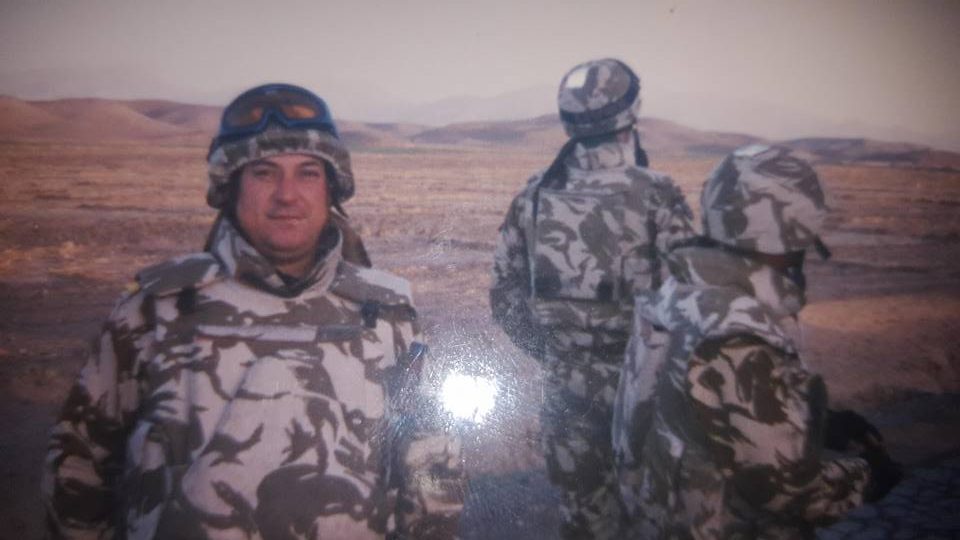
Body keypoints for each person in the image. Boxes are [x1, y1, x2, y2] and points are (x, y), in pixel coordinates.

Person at [42, 83, 463, 539]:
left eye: (307, 174)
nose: (287, 194)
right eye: (264, 173)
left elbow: (431, 468)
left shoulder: (386, 315)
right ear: (231, 187)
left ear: (331, 189)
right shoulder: (155, 311)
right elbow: (77, 470)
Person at [612, 144, 901, 538]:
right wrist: (869, 475)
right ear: (791, 231)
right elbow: (791, 491)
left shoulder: (676, 296)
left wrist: (813, 421)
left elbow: (696, 409)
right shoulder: (739, 336)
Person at [490, 58, 696, 539]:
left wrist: (556, 355)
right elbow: (691, 304)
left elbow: (503, 296)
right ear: (632, 112)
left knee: (585, 518)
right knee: (659, 520)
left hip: (567, 392)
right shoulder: (659, 194)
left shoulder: (534, 196)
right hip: (648, 394)